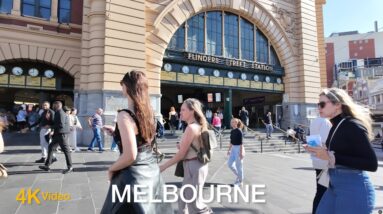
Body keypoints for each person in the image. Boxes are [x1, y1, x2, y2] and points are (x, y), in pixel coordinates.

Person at [101, 70, 172, 213]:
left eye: (122, 85)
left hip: (132, 176)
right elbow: (144, 140)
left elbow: (130, 155)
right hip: (151, 171)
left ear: (127, 87)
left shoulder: (124, 115)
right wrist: (117, 133)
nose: (122, 89)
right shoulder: (150, 112)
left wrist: (112, 168)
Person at [305, 88, 378, 214]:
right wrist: (321, 151)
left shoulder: (352, 124)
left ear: (337, 104)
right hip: (334, 184)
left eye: (322, 104)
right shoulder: (336, 125)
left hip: (353, 187)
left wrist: (331, 156)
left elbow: (371, 164)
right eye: (318, 104)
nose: (319, 108)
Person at [160, 98, 212, 214]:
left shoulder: (191, 128)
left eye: (183, 110)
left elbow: (181, 155)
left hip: (194, 166)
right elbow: (193, 147)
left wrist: (163, 167)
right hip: (194, 166)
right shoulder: (196, 126)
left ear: (192, 111)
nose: (180, 112)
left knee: (195, 205)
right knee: (183, 200)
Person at [39, 101, 73, 174]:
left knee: (66, 150)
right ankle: (47, 165)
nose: (52, 107)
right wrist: (53, 130)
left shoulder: (60, 113)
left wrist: (50, 127)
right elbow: (57, 124)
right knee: (51, 147)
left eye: (53, 105)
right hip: (58, 134)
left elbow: (61, 125)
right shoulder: (58, 112)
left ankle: (70, 167)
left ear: (57, 106)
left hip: (62, 134)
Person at [309, 117, 332, 214]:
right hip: (325, 162)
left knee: (320, 191)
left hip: (317, 160)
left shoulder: (314, 121)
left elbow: (312, 141)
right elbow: (325, 141)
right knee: (324, 192)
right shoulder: (326, 122)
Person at [227, 118, 245, 186]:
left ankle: (240, 181)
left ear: (237, 123)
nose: (232, 123)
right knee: (229, 164)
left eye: (234, 122)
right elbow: (231, 142)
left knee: (239, 166)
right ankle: (240, 176)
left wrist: (241, 152)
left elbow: (241, 143)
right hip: (233, 148)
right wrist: (228, 150)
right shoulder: (232, 131)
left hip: (239, 148)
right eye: (231, 122)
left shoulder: (239, 131)